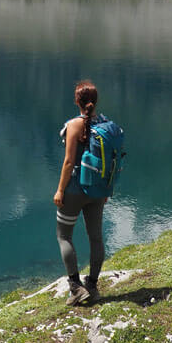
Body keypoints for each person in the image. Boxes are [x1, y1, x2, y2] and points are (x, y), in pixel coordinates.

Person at [53, 79, 107, 306]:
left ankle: (76, 287)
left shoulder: (74, 125)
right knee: (95, 236)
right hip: (98, 190)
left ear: (77, 101)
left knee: (64, 236)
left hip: (75, 189)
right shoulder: (104, 123)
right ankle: (92, 285)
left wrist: (60, 190)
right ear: (95, 101)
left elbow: (68, 163)